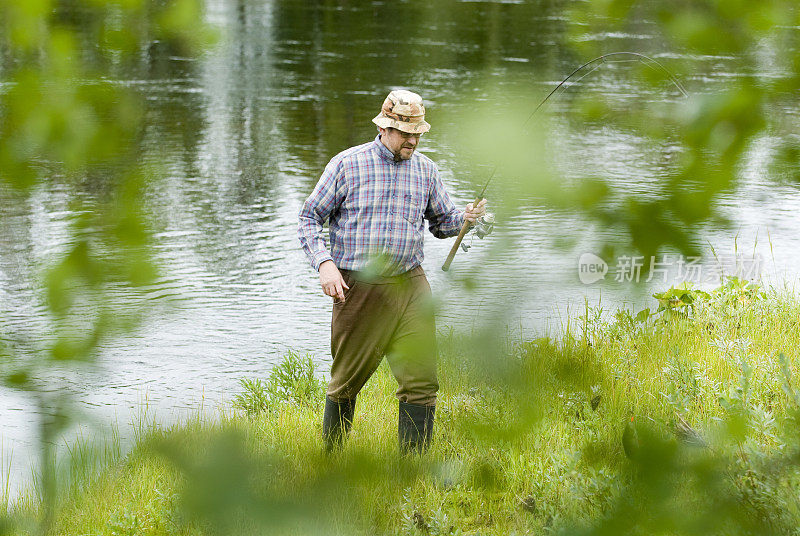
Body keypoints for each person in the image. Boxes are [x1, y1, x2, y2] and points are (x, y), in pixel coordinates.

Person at [298, 89, 486, 453]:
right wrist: (325, 265)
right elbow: (309, 218)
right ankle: (331, 460)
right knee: (346, 382)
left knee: (421, 381)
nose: (413, 140)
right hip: (357, 286)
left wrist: (466, 218)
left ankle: (412, 466)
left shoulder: (426, 170)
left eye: (418, 133)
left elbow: (441, 223)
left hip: (411, 284)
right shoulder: (346, 164)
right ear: (385, 127)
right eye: (406, 133)